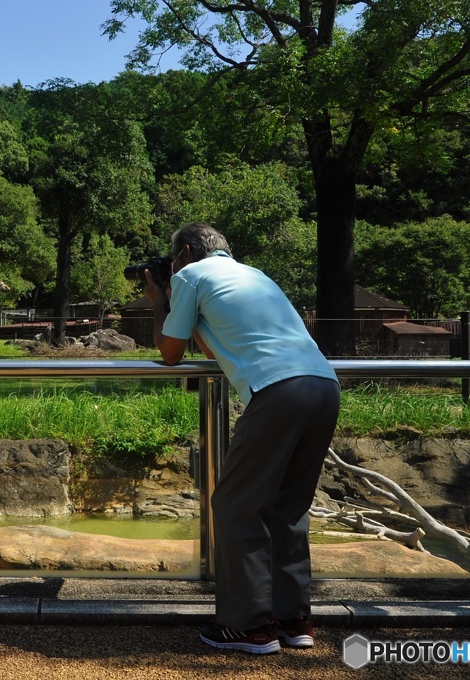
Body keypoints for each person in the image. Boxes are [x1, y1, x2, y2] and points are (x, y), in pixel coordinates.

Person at [143, 222, 341, 655]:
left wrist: (160, 301)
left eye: (173, 257)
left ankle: (248, 627)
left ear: (187, 252)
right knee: (288, 509)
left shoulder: (190, 276)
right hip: (324, 386)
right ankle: (294, 619)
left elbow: (171, 353)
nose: (170, 265)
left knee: (236, 505)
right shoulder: (255, 276)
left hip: (277, 391)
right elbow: (217, 346)